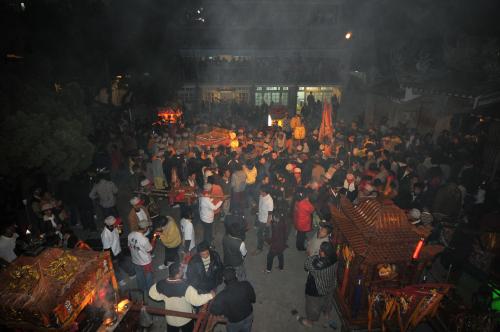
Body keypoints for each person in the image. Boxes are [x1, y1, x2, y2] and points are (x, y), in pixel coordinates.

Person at [149, 262, 215, 332]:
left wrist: (162, 295)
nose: (183, 271)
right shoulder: (185, 287)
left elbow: (151, 293)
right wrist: (210, 295)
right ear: (177, 275)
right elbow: (196, 301)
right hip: (186, 318)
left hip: (171, 319)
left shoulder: (162, 284)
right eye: (181, 270)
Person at [298, 242, 338, 328]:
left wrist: (314, 256)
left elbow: (306, 266)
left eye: (320, 249)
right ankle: (327, 313)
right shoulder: (335, 258)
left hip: (317, 288)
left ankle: (310, 321)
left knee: (313, 305)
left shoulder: (318, 265)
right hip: (331, 284)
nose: (319, 250)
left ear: (323, 252)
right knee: (328, 300)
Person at [210, 267, 256, 332]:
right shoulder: (246, 284)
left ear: (224, 279)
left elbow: (214, 310)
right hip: (249, 316)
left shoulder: (221, 296)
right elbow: (253, 299)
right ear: (236, 275)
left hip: (234, 322)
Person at [101, 216, 135, 286]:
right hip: (113, 254)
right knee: (115, 268)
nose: (117, 224)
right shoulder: (105, 235)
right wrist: (113, 258)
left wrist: (120, 229)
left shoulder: (113, 228)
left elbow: (119, 233)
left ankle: (131, 273)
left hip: (118, 250)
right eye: (115, 224)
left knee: (123, 262)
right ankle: (120, 280)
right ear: (110, 225)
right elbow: (107, 249)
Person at [128, 219, 154, 293]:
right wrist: (154, 239)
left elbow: (129, 247)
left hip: (135, 260)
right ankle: (150, 291)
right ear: (145, 228)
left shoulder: (130, 234)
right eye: (147, 227)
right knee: (148, 276)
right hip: (145, 262)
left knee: (139, 275)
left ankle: (141, 289)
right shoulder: (144, 239)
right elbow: (150, 250)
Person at [254, 185, 273, 255]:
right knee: (267, 233)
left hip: (264, 220)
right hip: (260, 217)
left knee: (259, 234)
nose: (259, 192)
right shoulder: (261, 196)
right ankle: (267, 241)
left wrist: (268, 222)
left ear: (264, 192)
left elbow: (270, 214)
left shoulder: (269, 201)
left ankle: (259, 248)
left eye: (261, 191)